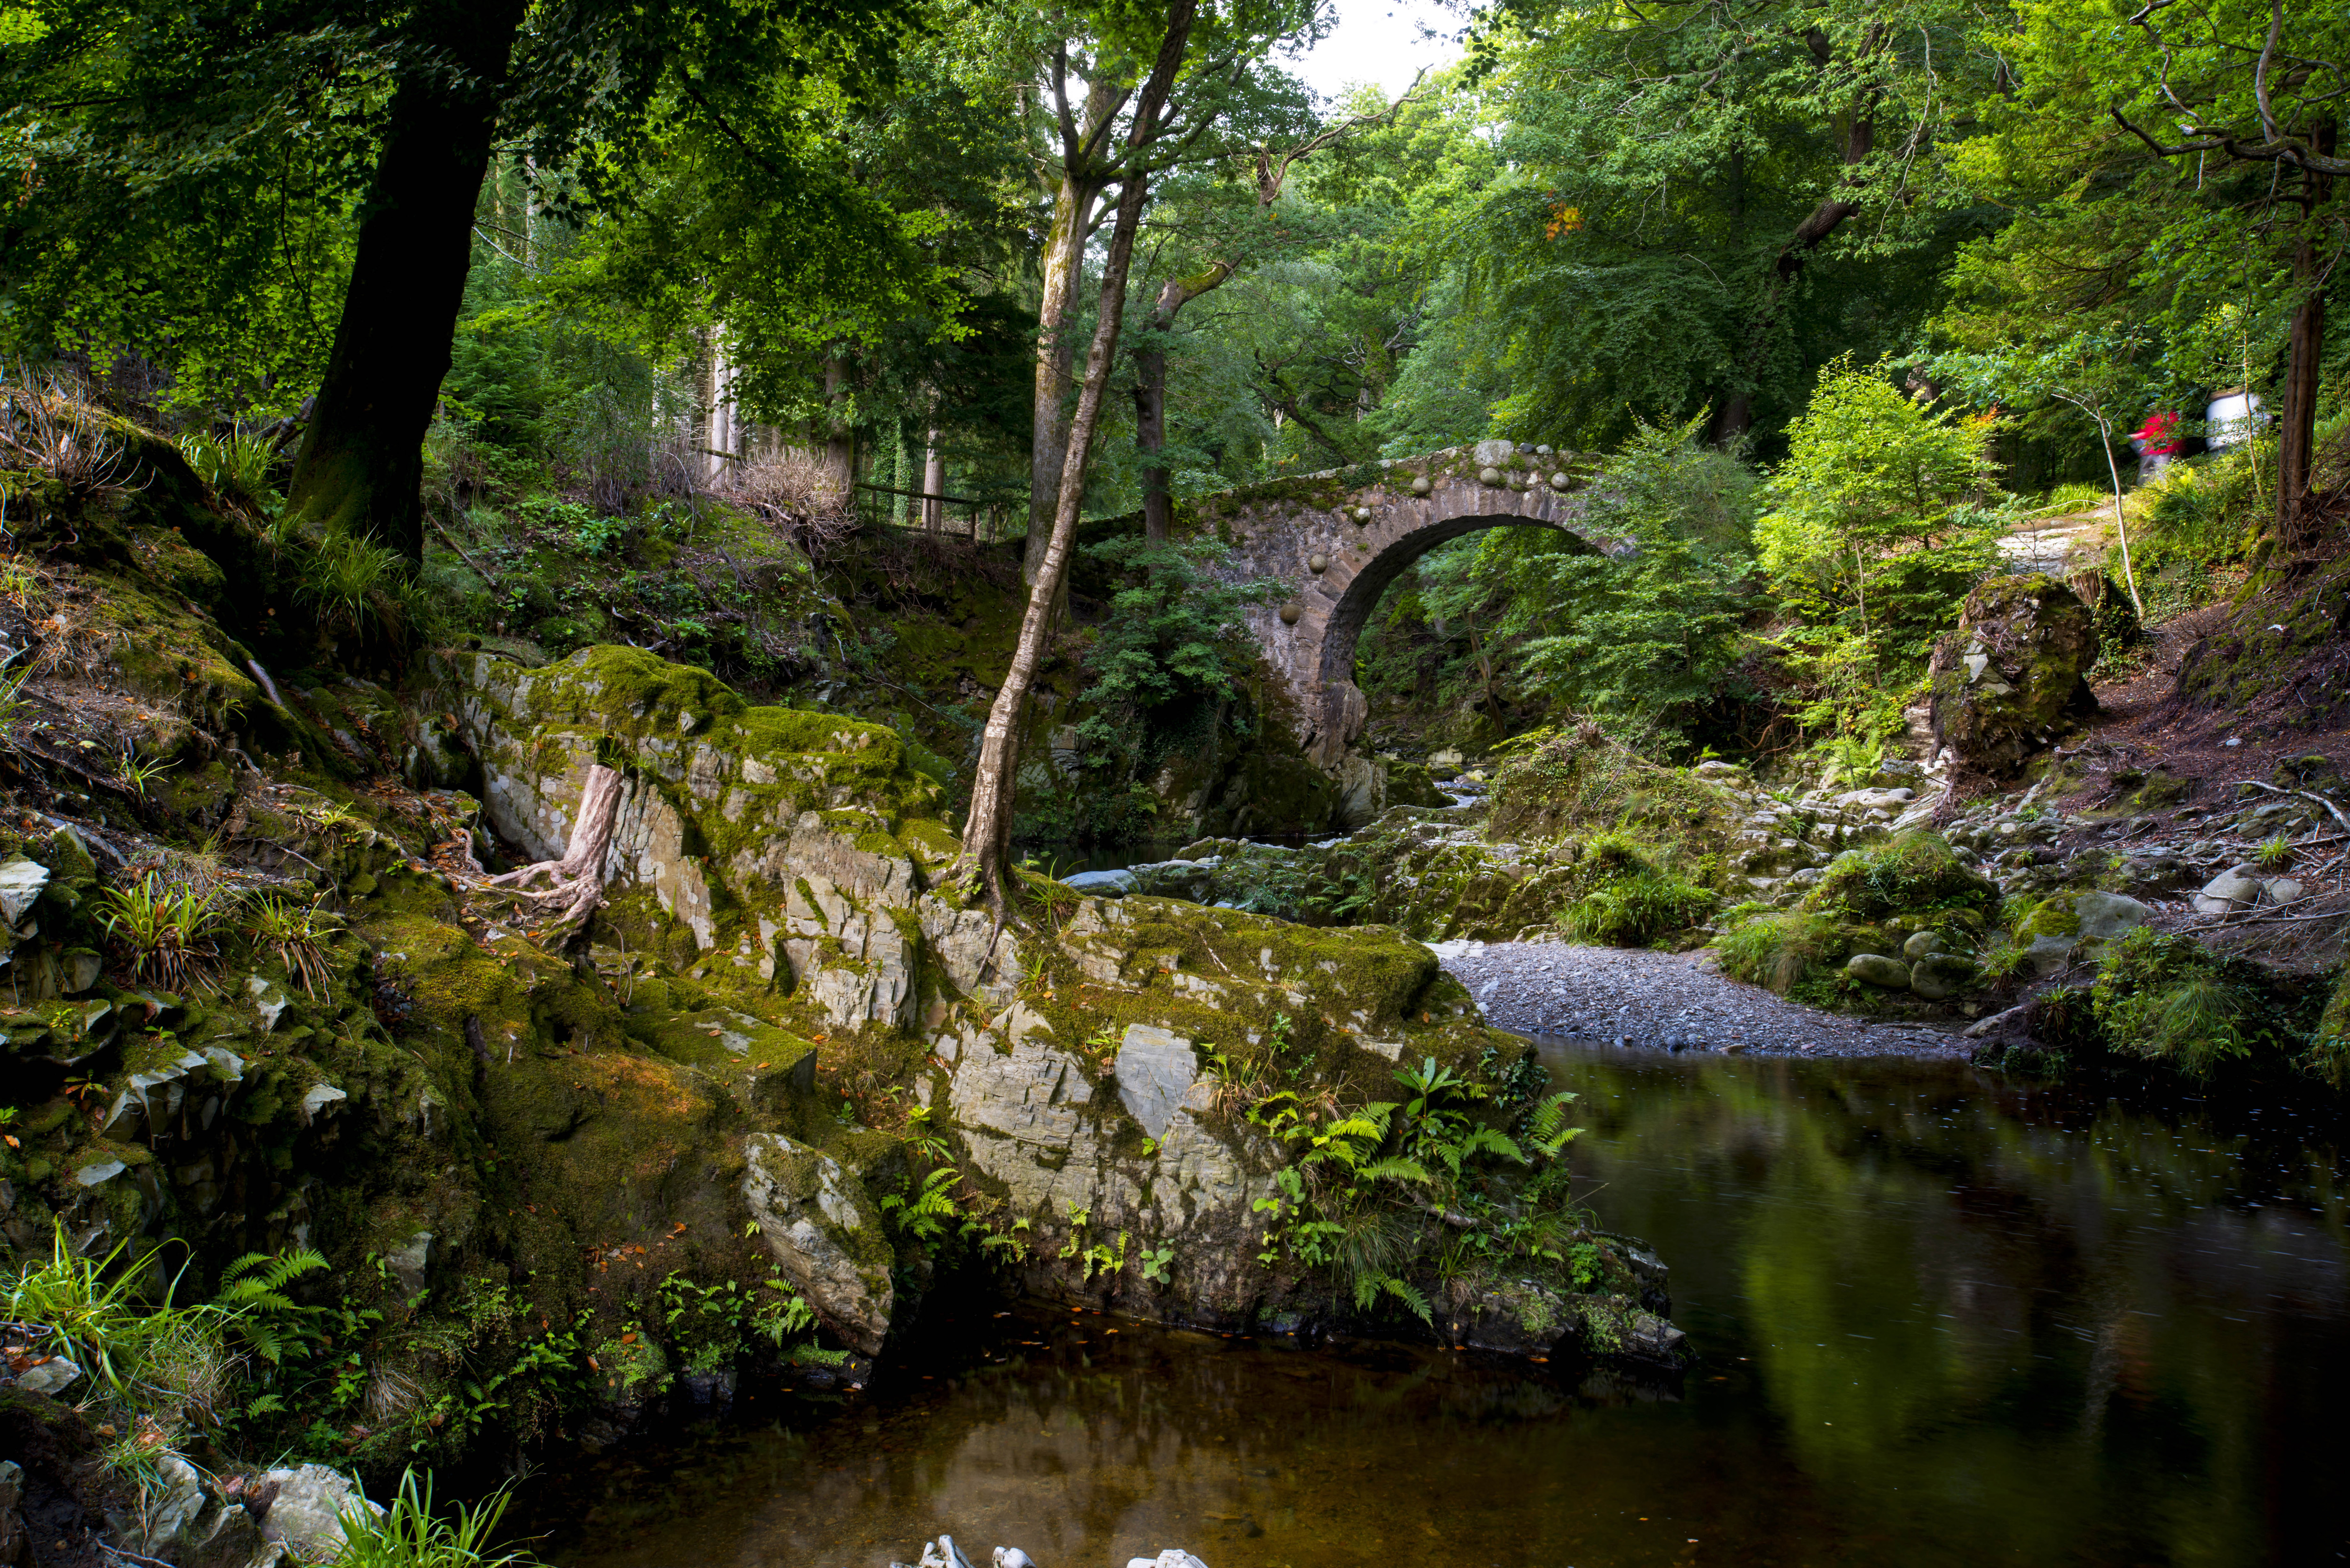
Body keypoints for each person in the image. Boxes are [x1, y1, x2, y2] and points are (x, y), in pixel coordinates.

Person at [2131, 408, 2182, 483]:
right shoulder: (2152, 419)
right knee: (2146, 472)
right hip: (2150, 452)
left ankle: (2164, 490)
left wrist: (2136, 436)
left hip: (2164, 450)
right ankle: (2146, 490)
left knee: (2163, 472)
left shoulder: (2169, 417)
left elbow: (2149, 433)